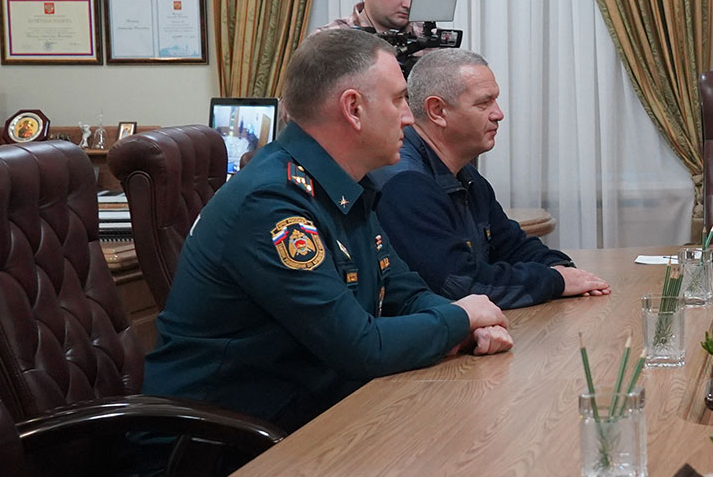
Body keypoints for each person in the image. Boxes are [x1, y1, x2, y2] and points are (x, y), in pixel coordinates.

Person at [145, 29, 512, 435]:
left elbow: (404, 292)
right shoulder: (272, 203)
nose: (409, 117)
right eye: (398, 100)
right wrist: (461, 317)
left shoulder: (344, 186)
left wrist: (468, 326)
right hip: (218, 444)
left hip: (308, 417)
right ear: (353, 109)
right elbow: (361, 347)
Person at [373, 49, 610, 308]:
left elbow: (512, 245)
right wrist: (556, 280)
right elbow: (459, 284)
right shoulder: (406, 182)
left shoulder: (465, 174)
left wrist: (559, 266)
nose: (498, 114)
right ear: (437, 111)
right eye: (484, 103)